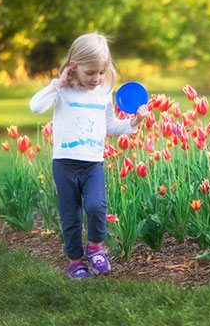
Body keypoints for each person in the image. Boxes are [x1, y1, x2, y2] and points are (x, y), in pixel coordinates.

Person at [30, 33, 148, 279]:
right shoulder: (63, 91)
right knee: (70, 216)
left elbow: (110, 127)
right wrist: (57, 84)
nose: (97, 78)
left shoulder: (104, 92)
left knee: (96, 207)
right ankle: (75, 261)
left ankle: (95, 248)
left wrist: (134, 122)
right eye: (90, 73)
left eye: (102, 72)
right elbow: (36, 107)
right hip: (65, 164)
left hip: (93, 163)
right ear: (74, 67)